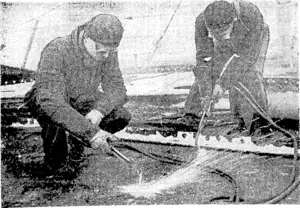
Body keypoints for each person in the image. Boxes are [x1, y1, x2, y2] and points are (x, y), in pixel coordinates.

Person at [24, 14, 131, 178]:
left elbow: (117, 89)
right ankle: (54, 164)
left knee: (121, 115)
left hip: (81, 99)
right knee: (56, 124)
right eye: (102, 51)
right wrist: (91, 133)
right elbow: (51, 100)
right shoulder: (57, 49)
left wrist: (99, 111)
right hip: (48, 100)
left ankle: (77, 144)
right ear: (87, 38)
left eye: (111, 52)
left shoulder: (106, 51)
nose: (106, 56)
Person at [183, 0, 270, 135]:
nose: (217, 36)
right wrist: (206, 94)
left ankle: (259, 122)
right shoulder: (201, 22)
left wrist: (222, 84)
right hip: (226, 42)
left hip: (249, 41)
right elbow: (203, 60)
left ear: (233, 20)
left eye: (221, 33)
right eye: (214, 33)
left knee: (251, 73)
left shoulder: (250, 14)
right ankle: (192, 116)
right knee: (207, 72)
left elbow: (245, 59)